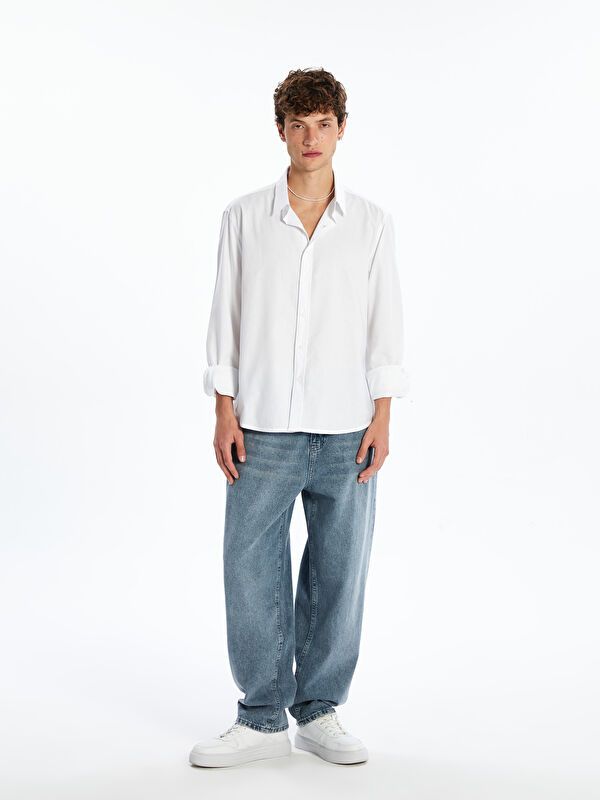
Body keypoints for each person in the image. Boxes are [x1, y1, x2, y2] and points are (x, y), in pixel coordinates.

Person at [189, 68, 409, 769]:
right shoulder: (244, 218)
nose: (311, 137)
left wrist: (382, 416)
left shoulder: (371, 224)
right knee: (249, 567)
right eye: (298, 124)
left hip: (348, 427)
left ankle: (318, 710)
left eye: (323, 124)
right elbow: (225, 317)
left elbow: (384, 323)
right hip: (262, 427)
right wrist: (224, 409)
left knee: (339, 572)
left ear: (341, 129)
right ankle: (259, 716)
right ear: (280, 130)